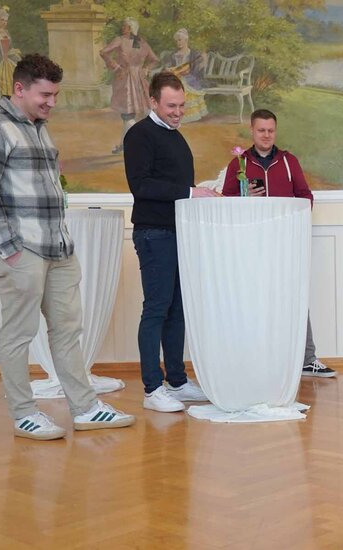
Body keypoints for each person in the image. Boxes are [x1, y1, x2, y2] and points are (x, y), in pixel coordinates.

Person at [0, 54, 135, 440]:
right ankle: (24, 414)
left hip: (58, 248)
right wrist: (9, 249)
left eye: (55, 95)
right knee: (18, 334)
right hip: (21, 250)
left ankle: (86, 408)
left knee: (67, 330)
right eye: (45, 95)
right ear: (20, 88)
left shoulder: (39, 128)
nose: (52, 103)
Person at [124, 71, 221, 412]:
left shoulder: (176, 136)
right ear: (152, 101)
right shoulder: (139, 135)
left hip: (178, 233)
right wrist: (192, 192)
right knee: (156, 309)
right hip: (153, 234)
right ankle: (152, 389)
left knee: (177, 309)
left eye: (181, 105)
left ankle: (176, 381)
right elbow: (142, 187)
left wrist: (199, 190)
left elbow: (175, 184)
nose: (178, 112)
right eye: (171, 106)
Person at [222, 109, 336, 378]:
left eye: (271, 130)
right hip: (250, 245)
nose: (266, 135)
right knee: (251, 300)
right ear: (252, 131)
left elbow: (305, 196)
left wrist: (290, 217)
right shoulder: (238, 164)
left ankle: (307, 359)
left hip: (285, 243)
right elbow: (224, 202)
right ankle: (253, 359)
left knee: (294, 298)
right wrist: (243, 194)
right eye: (261, 130)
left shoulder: (288, 162)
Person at [100, 17, 159, 154]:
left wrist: (115, 67)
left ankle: (131, 146)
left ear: (131, 28)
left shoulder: (121, 40)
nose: (123, 28)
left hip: (127, 79)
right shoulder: (141, 42)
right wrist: (145, 69)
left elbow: (103, 52)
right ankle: (126, 145)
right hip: (138, 78)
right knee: (132, 114)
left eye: (125, 26)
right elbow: (154, 60)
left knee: (129, 114)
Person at [160, 28, 209, 123]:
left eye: (180, 40)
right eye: (176, 41)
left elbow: (198, 70)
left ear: (186, 40)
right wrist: (169, 69)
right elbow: (169, 67)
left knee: (182, 84)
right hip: (175, 77)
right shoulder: (174, 54)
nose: (178, 42)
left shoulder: (193, 54)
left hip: (191, 79)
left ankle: (186, 114)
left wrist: (204, 61)